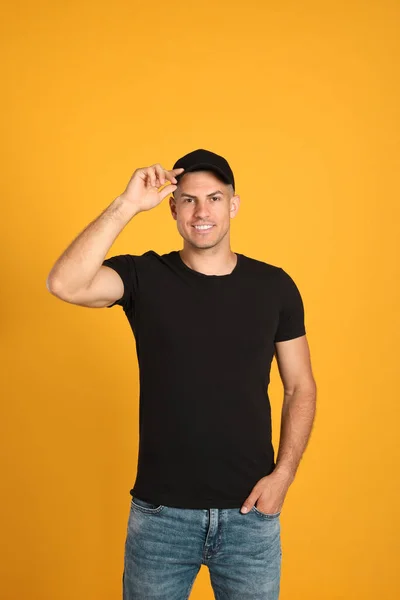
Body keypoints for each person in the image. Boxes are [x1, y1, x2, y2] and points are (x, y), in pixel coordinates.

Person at [47, 148, 317, 600]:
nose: (202, 211)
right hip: (160, 521)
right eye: (189, 200)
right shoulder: (143, 275)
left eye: (214, 198)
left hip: (249, 517)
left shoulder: (274, 286)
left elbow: (300, 386)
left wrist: (283, 476)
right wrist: (127, 204)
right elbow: (65, 283)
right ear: (172, 207)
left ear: (233, 205)